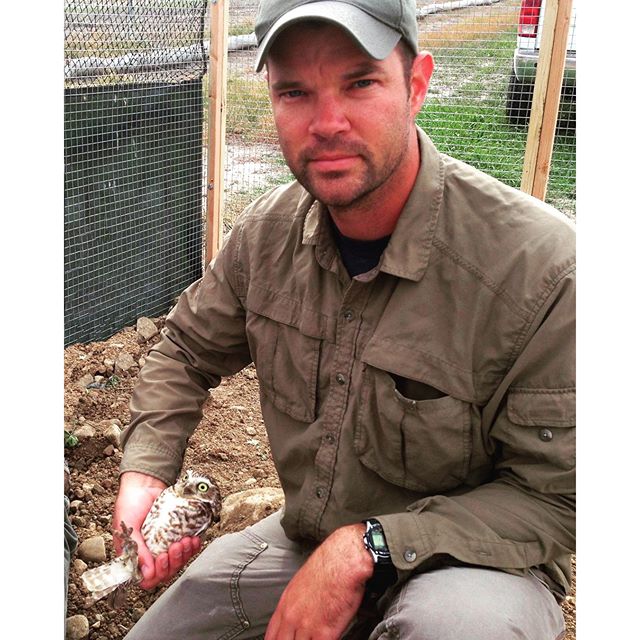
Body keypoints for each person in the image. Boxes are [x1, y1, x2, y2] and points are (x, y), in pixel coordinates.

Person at [115, 1, 575, 638]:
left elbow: (560, 498)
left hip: (476, 567)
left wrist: (369, 547)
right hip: (312, 538)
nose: (326, 123)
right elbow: (185, 350)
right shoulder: (267, 236)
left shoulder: (540, 270)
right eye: (295, 92)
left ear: (416, 85)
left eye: (360, 82)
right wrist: (147, 470)